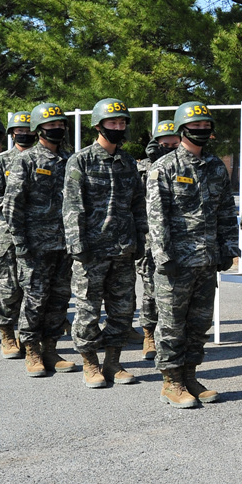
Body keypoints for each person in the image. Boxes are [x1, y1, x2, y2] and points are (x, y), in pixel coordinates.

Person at [147, 101, 239, 408]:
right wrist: (163, 255)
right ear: (181, 129)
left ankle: (189, 375)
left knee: (199, 324)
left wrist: (229, 247)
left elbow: (227, 210)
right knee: (172, 324)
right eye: (195, 127)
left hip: (207, 260)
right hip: (176, 262)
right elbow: (156, 216)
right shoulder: (165, 167)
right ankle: (171, 381)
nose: (201, 131)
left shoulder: (215, 167)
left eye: (205, 127)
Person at [64, 99, 145, 389]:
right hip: (91, 251)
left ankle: (113, 361)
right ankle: (90, 363)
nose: (118, 127)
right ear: (98, 125)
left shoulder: (128, 162)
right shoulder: (81, 161)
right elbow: (73, 207)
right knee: (87, 309)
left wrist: (142, 239)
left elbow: (138, 205)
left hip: (123, 249)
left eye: (122, 123)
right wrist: (77, 244)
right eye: (113, 123)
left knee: (122, 309)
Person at [1, 102, 77, 377]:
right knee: (34, 299)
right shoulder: (26, 160)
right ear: (38, 129)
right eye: (50, 125)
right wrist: (20, 243)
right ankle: (32, 351)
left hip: (64, 245)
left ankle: (51, 348)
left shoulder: (70, 160)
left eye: (59, 125)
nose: (56, 129)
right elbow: (12, 206)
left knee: (59, 299)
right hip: (35, 246)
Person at [0, 111, 33, 359]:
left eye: (28, 129)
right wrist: (23, 205)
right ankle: (6, 334)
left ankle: (29, 337)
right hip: (8, 236)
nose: (24, 134)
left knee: (35, 290)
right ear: (12, 133)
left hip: (41, 236)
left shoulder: (50, 159)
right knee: (7, 288)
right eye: (19, 130)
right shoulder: (1, 161)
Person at [136, 120, 179, 360]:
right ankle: (149, 335)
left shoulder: (186, 166)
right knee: (152, 290)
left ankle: (171, 337)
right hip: (149, 242)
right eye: (165, 144)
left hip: (181, 240)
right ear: (155, 144)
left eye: (175, 144)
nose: (170, 148)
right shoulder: (142, 169)